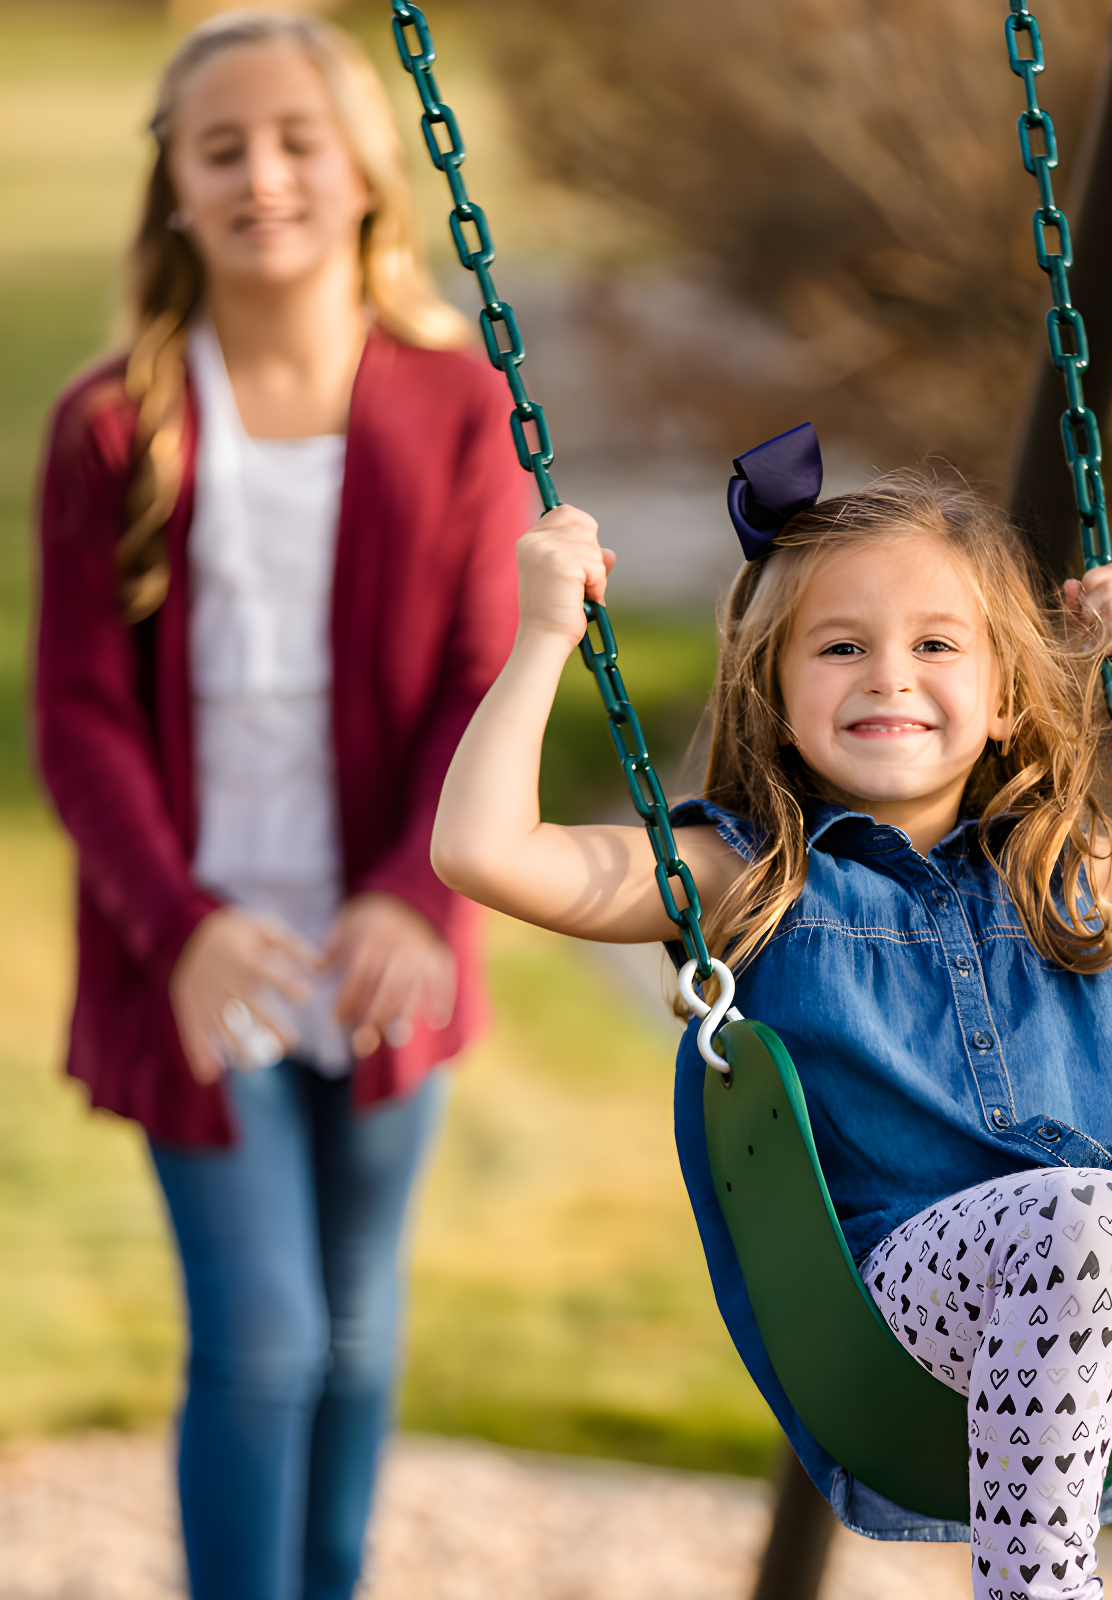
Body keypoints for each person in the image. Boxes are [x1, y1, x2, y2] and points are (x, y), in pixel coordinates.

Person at [431, 424, 1112, 1600]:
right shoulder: (751, 876)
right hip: (898, 1305)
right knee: (1086, 1214)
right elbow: (482, 850)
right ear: (770, 691)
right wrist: (543, 640)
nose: (888, 674)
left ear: (1005, 698)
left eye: (935, 643)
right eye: (839, 647)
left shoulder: (1060, 879)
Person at [33, 14, 526, 1599]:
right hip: (204, 954)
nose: (264, 175)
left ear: (368, 169)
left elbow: (483, 677)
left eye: (298, 139)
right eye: (221, 145)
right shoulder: (116, 424)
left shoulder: (455, 410)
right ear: (171, 183)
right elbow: (78, 713)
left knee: (361, 1331)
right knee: (262, 1337)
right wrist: (177, 931)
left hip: (385, 936)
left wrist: (414, 893)